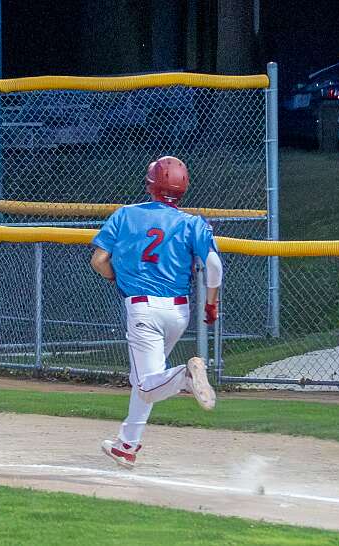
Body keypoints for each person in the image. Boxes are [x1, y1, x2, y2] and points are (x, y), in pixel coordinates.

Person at [89, 156, 220, 469]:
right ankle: (126, 445)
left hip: (143, 309)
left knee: (147, 386)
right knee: (148, 378)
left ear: (150, 185)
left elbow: (98, 261)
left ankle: (186, 375)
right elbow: (214, 265)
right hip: (179, 311)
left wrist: (116, 278)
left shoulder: (125, 215)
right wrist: (211, 303)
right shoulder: (193, 223)